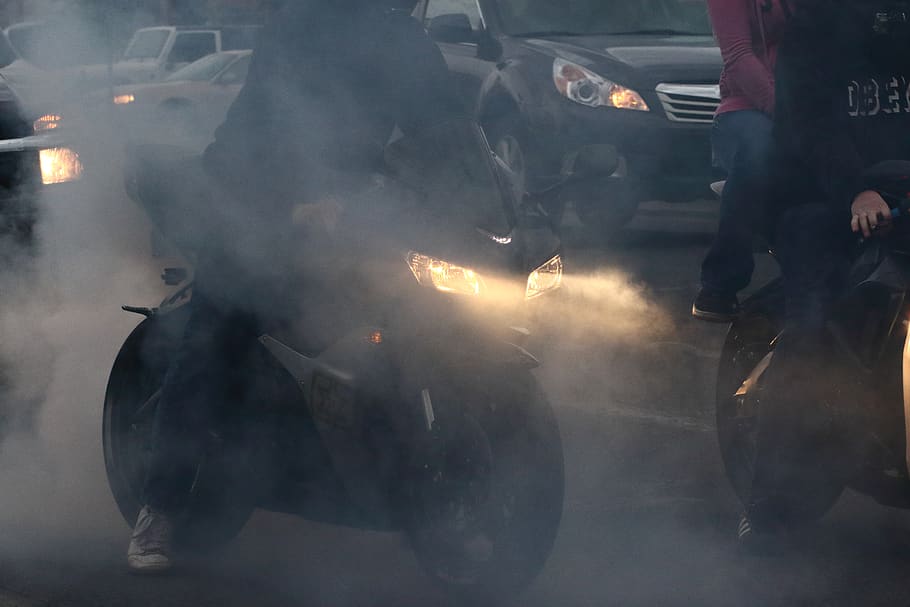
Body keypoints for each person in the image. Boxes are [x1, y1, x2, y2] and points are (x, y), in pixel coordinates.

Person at [126, 0, 460, 574]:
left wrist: (491, 181)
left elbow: (446, 128)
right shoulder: (299, 25)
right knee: (216, 337)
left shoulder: (407, 43)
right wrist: (292, 200)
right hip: (254, 192)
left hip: (352, 203)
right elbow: (265, 121)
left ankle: (390, 471)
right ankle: (160, 508)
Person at [736, 0, 910, 548]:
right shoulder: (815, 27)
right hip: (823, 199)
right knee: (810, 325)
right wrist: (855, 187)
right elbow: (809, 122)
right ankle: (769, 508)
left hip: (902, 193)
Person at [692, 0, 792, 322]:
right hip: (746, 107)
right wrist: (787, 113)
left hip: (814, 103)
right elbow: (737, 55)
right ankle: (720, 283)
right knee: (759, 150)